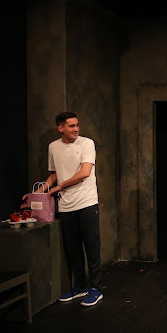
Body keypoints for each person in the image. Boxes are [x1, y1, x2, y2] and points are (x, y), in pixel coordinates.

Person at [25, 112, 103, 307]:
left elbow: (85, 172)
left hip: (86, 202)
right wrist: (36, 194)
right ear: (61, 128)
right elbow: (54, 175)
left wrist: (59, 187)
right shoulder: (53, 147)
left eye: (77, 125)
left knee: (92, 246)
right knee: (73, 249)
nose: (76, 129)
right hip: (66, 206)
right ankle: (80, 286)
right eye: (71, 126)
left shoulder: (86, 143)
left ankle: (95, 288)